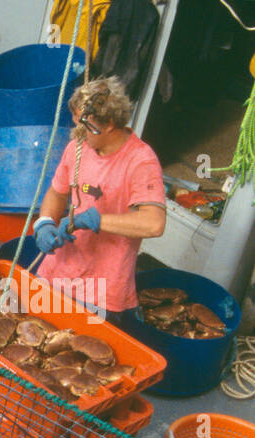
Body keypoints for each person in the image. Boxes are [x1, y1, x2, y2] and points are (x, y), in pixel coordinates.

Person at [32, 76, 166, 323]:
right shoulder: (77, 147)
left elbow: (154, 223)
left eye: (84, 125)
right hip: (57, 271)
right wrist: (44, 223)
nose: (77, 132)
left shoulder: (140, 161)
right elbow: (57, 192)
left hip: (101, 290)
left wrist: (97, 220)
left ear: (109, 124)